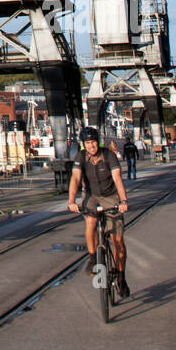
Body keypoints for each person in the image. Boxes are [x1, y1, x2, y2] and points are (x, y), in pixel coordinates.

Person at [68, 126, 130, 298]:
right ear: (84, 145)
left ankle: (121, 276)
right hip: (91, 195)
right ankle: (93, 257)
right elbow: (75, 178)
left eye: (93, 142)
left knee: (117, 240)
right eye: (88, 143)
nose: (91, 146)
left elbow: (117, 178)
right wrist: (71, 201)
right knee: (91, 221)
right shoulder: (81, 156)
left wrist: (123, 201)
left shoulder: (109, 155)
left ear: (98, 142)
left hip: (110, 195)